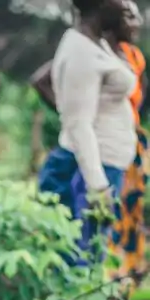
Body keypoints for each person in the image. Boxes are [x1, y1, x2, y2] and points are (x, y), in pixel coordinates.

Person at [31, 0, 147, 277]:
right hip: (94, 170)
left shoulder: (97, 42)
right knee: (80, 258)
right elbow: (79, 123)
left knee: (90, 254)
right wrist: (98, 186)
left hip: (106, 163)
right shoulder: (82, 53)